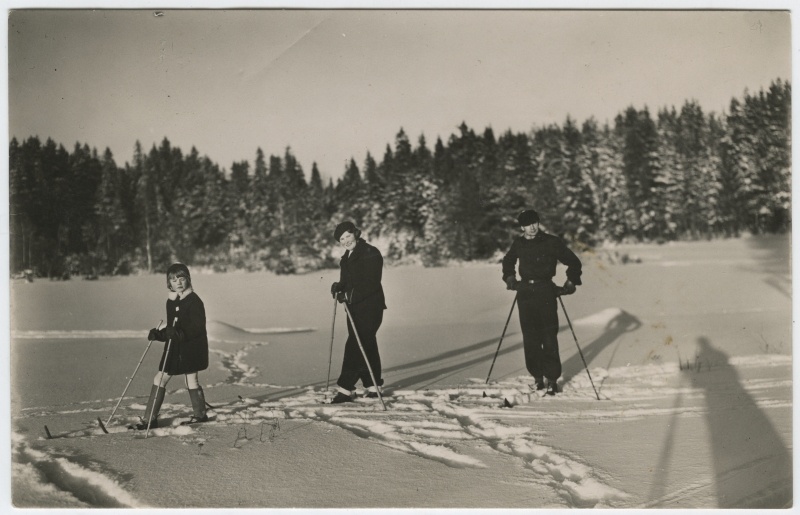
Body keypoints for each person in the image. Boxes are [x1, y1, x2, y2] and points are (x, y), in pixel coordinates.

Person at [501, 209, 582, 396]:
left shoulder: (551, 242)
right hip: (525, 293)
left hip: (546, 291)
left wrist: (570, 282)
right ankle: (537, 378)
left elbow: (573, 262)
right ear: (522, 227)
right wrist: (510, 279)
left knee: (549, 337)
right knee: (530, 338)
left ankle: (552, 379)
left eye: (535, 223)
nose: (533, 227)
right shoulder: (519, 243)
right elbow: (508, 261)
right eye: (528, 224)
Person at [131, 263, 210, 429]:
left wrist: (178, 334)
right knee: (161, 378)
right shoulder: (171, 301)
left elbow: (197, 327)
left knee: (190, 380)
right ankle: (150, 419)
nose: (178, 283)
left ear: (188, 279)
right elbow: (172, 327)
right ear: (169, 283)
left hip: (190, 349)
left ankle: (199, 415)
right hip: (174, 349)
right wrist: (159, 334)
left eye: (181, 278)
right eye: (174, 280)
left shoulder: (194, 301)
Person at [329, 221, 387, 404]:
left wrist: (349, 294)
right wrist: (340, 287)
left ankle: (346, 389)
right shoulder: (347, 257)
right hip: (353, 308)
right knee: (366, 344)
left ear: (355, 233)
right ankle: (373, 385)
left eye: (347, 236)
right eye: (341, 239)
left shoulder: (371, 253)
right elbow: (347, 280)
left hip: (371, 308)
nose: (345, 241)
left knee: (355, 345)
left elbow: (371, 283)